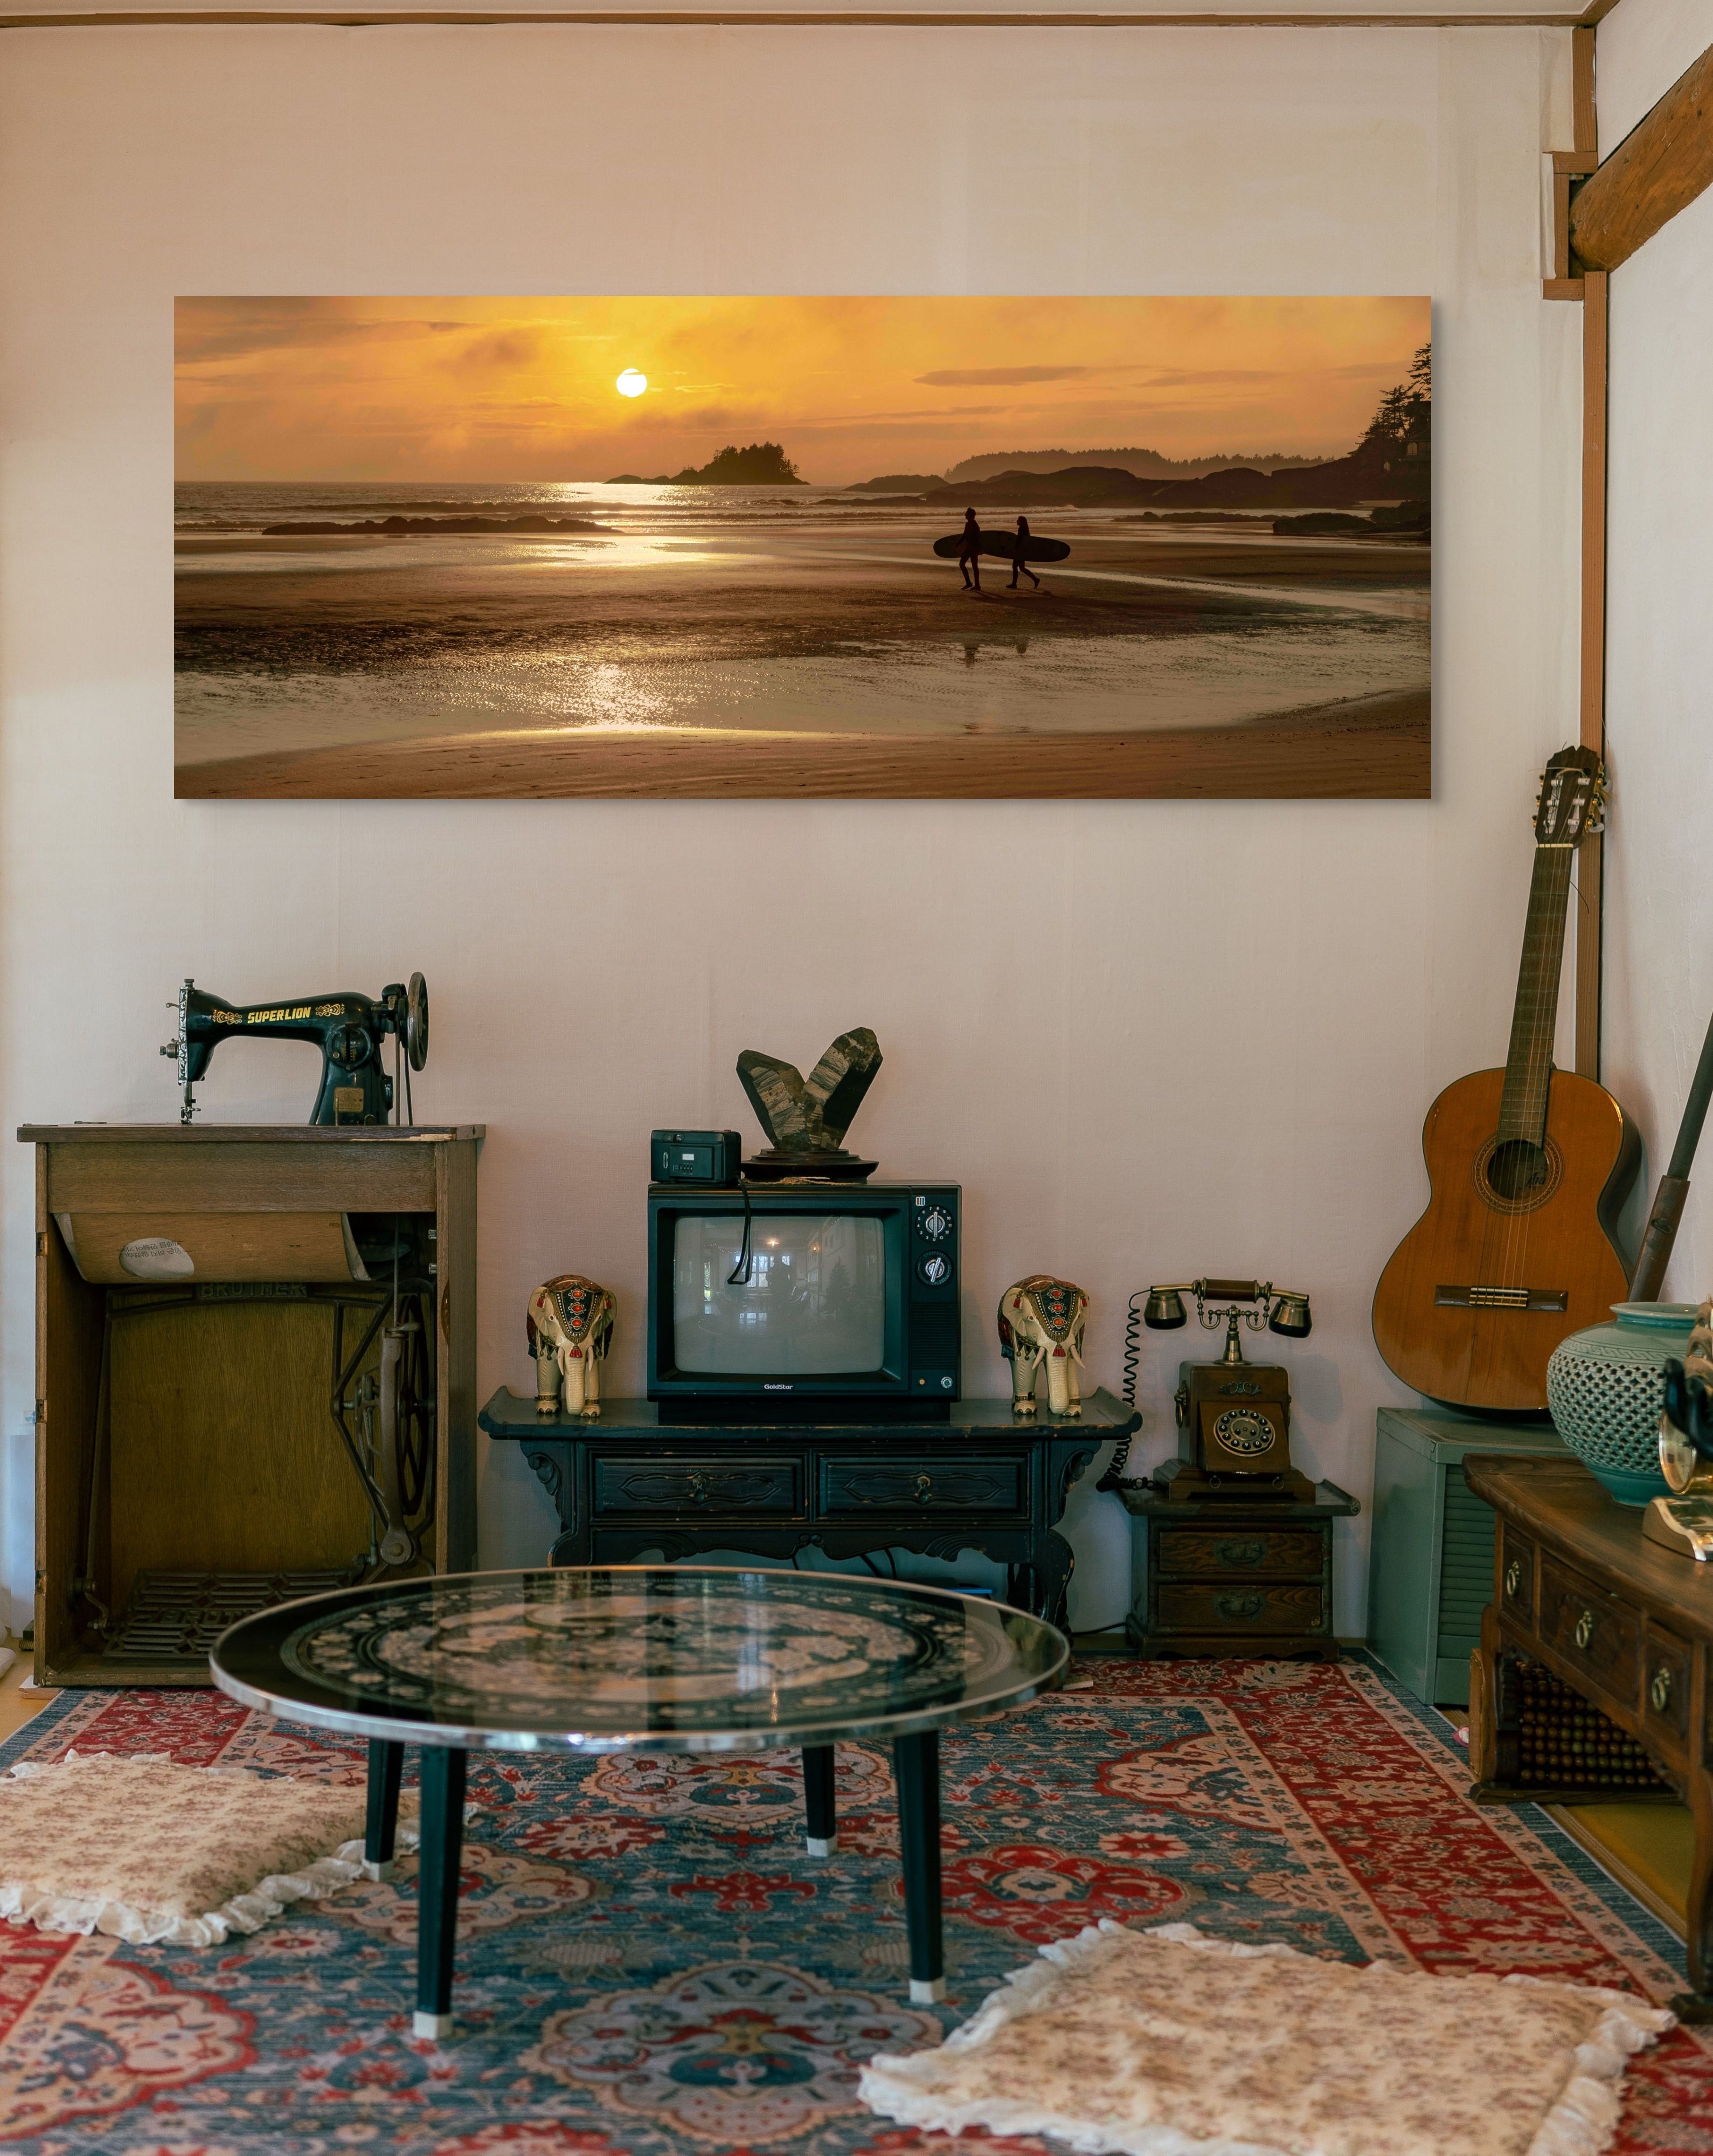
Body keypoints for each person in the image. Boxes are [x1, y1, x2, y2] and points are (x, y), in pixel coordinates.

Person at [1008, 515, 1041, 591]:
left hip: (1020, 551)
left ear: (1021, 522)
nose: (1017, 521)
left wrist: (1016, 549)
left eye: (1018, 520)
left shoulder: (1021, 529)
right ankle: (1036, 579)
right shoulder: (1025, 529)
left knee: (1015, 566)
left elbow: (1019, 540)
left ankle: (1014, 584)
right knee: (1021, 568)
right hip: (1023, 550)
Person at [956, 507, 982, 592]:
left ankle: (975, 585)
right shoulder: (969, 524)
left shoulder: (973, 524)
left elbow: (978, 537)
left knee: (972, 566)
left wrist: (980, 548)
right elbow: (964, 535)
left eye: (966, 513)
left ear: (970, 515)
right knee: (963, 564)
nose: (965, 514)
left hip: (973, 548)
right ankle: (971, 584)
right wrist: (958, 543)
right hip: (970, 548)